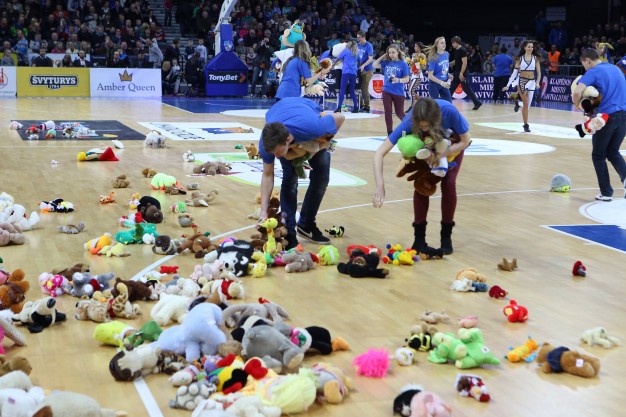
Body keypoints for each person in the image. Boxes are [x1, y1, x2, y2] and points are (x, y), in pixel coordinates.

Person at [373, 97, 471, 255]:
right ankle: (419, 239)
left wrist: (441, 154)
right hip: (426, 148)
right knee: (422, 183)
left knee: (448, 182)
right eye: (421, 126)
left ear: (436, 120)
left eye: (427, 126)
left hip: (452, 144)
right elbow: (379, 153)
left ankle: (446, 237)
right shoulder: (409, 120)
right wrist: (380, 185)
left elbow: (466, 141)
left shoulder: (449, 112)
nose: (424, 128)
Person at [258, 97, 346, 249]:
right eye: (273, 153)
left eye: (278, 152)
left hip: (307, 120)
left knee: (322, 177)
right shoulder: (267, 144)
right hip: (283, 111)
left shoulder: (313, 127)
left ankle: (306, 224)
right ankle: (288, 232)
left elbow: (340, 117)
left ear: (288, 139)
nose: (276, 156)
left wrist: (322, 144)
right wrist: (263, 212)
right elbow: (267, 175)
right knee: (289, 180)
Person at [572, 48, 626, 201]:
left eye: (584, 64)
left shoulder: (593, 72)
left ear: (587, 60)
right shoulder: (615, 68)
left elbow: (577, 92)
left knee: (598, 155)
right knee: (613, 152)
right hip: (624, 115)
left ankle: (606, 193)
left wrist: (577, 105)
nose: (585, 68)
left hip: (606, 117)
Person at [503, 40, 542, 132]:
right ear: (524, 48)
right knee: (526, 103)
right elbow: (514, 73)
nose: (530, 48)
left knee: (527, 106)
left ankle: (517, 102)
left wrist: (537, 82)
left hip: (532, 82)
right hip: (521, 82)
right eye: (528, 47)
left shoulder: (535, 58)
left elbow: (539, 73)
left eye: (532, 47)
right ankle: (526, 125)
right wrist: (508, 85)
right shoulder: (520, 58)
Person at [373, 44, 410, 135]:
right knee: (388, 111)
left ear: (398, 52)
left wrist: (398, 80)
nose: (391, 54)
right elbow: (374, 64)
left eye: (393, 52)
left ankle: (410, 127)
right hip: (386, 90)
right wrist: (384, 55)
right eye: (389, 53)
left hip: (398, 92)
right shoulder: (386, 62)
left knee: (399, 113)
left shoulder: (403, 64)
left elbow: (407, 79)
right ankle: (389, 132)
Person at [449, 36, 482, 110]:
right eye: (452, 43)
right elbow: (457, 60)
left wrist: (461, 74)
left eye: (453, 43)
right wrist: (451, 63)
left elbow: (465, 63)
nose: (452, 44)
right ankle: (446, 103)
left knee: (466, 89)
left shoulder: (463, 50)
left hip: (463, 73)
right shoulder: (456, 50)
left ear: (458, 43)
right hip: (457, 72)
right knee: (451, 89)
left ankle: (477, 103)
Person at [335, 40, 359, 113]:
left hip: (346, 71)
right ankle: (356, 107)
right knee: (352, 90)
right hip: (354, 72)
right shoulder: (356, 53)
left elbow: (338, 58)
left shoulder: (346, 51)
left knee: (342, 90)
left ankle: (339, 107)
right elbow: (359, 61)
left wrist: (333, 64)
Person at [424, 36, 451, 101]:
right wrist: (441, 83)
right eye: (441, 43)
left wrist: (448, 74)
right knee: (435, 105)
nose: (444, 44)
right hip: (434, 85)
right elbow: (430, 76)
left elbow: (443, 68)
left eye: (445, 43)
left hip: (444, 83)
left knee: (449, 103)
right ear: (437, 45)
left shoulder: (447, 54)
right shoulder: (434, 57)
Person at [357, 30, 374, 112]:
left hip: (367, 70)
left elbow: (370, 59)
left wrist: (363, 65)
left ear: (363, 37)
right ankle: (360, 105)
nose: (358, 39)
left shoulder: (369, 46)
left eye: (359, 37)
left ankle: (367, 107)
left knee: (364, 88)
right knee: (358, 88)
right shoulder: (358, 45)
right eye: (357, 37)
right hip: (359, 69)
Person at [406, 42, 426, 113]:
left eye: (416, 46)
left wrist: (419, 63)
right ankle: (422, 102)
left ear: (419, 48)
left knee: (411, 91)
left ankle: (412, 106)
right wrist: (409, 62)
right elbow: (411, 65)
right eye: (414, 46)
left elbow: (424, 67)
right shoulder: (414, 55)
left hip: (418, 76)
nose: (414, 48)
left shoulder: (422, 55)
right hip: (413, 75)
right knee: (409, 91)